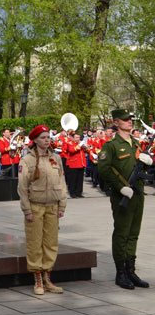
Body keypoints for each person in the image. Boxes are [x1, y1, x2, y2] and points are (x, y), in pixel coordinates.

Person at [99, 109, 153, 290]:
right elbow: (104, 169)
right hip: (122, 194)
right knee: (122, 233)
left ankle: (131, 270)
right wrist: (120, 187)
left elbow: (139, 168)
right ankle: (120, 272)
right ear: (116, 122)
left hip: (137, 193)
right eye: (125, 120)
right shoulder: (111, 145)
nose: (129, 122)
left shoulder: (136, 143)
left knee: (134, 233)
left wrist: (147, 161)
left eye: (130, 119)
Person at [18, 124, 68, 295]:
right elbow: (22, 188)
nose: (47, 140)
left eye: (48, 137)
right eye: (43, 138)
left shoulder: (56, 158)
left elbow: (61, 183)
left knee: (51, 243)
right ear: (35, 140)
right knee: (35, 243)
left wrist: (62, 204)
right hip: (35, 206)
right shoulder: (27, 160)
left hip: (52, 207)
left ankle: (48, 277)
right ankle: (37, 278)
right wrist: (27, 210)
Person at [65, 133, 87, 198]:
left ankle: (79, 192)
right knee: (73, 179)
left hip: (81, 163)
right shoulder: (70, 143)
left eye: (79, 137)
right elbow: (71, 150)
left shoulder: (80, 144)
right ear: (73, 138)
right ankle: (72, 193)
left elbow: (86, 151)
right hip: (73, 164)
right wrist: (79, 146)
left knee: (80, 180)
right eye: (76, 137)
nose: (78, 139)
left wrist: (85, 147)